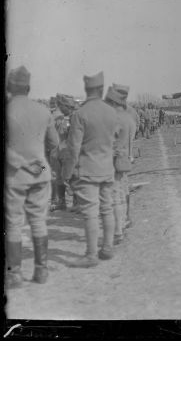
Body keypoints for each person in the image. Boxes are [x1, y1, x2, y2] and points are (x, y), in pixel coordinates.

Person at [5, 66, 59, 288]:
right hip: (40, 172)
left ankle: (15, 273)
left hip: (15, 175)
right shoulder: (44, 111)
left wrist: (21, 162)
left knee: (14, 223)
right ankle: (41, 271)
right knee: (38, 221)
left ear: (10, 86)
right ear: (28, 87)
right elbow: (55, 143)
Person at [61, 71, 120, 267]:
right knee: (107, 209)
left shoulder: (80, 114)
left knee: (90, 213)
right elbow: (114, 139)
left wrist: (66, 174)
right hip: (107, 168)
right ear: (101, 89)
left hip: (87, 170)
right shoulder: (112, 112)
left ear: (86, 89)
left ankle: (91, 255)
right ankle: (108, 248)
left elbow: (73, 148)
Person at [104, 87, 134, 244]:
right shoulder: (128, 117)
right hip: (124, 160)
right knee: (122, 195)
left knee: (114, 197)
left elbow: (108, 142)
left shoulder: (114, 119)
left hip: (113, 161)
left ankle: (117, 232)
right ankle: (121, 225)